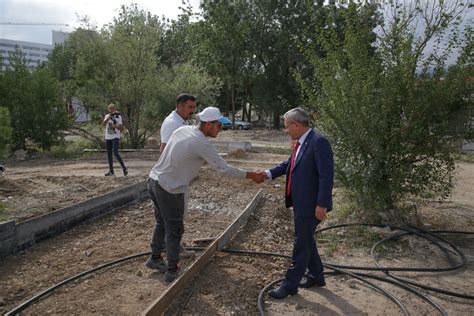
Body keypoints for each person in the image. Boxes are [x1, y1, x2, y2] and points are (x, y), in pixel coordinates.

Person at [145, 106, 265, 283]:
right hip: (170, 189)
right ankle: (172, 270)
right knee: (174, 230)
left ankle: (155, 258)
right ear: (209, 125)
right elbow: (223, 169)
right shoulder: (200, 142)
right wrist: (251, 175)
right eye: (219, 126)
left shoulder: (183, 130)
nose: (221, 130)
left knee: (162, 223)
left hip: (154, 180)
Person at [259, 107, 334, 299]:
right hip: (301, 203)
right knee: (306, 239)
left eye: (286, 127)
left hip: (311, 205)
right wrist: (267, 174)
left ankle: (290, 285)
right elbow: (288, 164)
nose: (286, 131)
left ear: (296, 125)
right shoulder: (302, 142)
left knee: (301, 243)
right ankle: (317, 275)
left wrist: (322, 204)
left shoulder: (318, 142)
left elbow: (327, 176)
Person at [160, 93, 197, 259]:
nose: (192, 111)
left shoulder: (180, 121)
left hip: (178, 175)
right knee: (176, 214)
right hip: (173, 177)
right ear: (180, 106)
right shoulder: (172, 123)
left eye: (193, 108)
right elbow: (164, 149)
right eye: (190, 107)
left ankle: (169, 245)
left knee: (171, 215)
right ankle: (174, 249)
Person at [101, 103, 128, 177]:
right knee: (109, 154)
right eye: (110, 108)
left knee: (115, 152)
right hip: (108, 137)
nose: (112, 110)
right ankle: (111, 171)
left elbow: (121, 128)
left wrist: (115, 126)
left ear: (115, 109)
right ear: (108, 109)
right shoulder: (107, 116)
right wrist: (108, 118)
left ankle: (124, 168)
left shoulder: (118, 116)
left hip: (115, 136)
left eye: (113, 108)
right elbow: (103, 124)